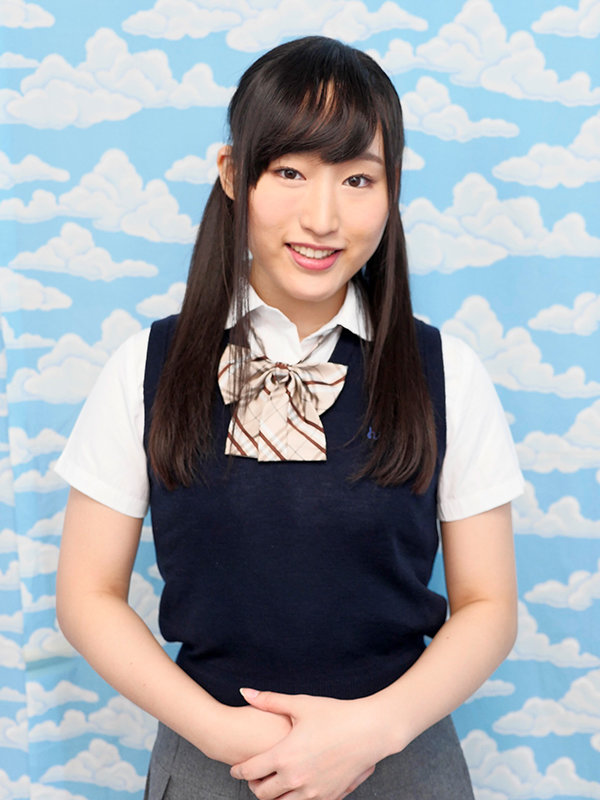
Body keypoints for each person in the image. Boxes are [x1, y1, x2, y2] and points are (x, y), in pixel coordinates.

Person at [55, 36, 523, 800]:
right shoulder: (147, 365)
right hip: (211, 760)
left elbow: (489, 605)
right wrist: (221, 733)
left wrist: (375, 730)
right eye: (290, 172)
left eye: (358, 178)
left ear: (393, 189)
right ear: (232, 174)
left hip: (401, 759)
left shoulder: (448, 371)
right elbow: (86, 594)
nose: (323, 216)